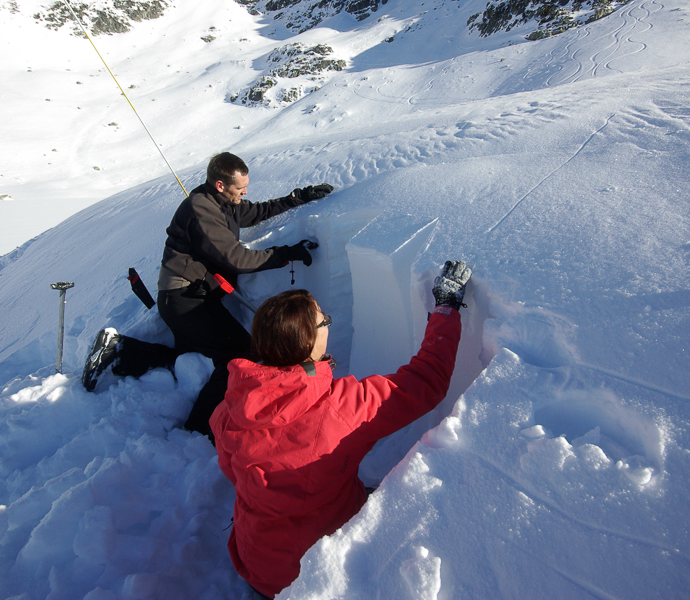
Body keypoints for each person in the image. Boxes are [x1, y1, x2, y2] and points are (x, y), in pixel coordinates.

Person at [210, 260, 472, 599]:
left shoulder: (232, 405)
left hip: (255, 562)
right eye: (324, 321)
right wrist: (446, 307)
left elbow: (235, 472)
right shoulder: (341, 408)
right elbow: (426, 381)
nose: (328, 324)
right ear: (308, 343)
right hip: (314, 572)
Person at [82, 152, 334, 441]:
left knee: (194, 352)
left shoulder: (224, 203)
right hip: (184, 298)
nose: (245, 192)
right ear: (220, 185)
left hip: (191, 297)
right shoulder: (201, 211)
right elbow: (237, 258)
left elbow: (256, 212)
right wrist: (286, 254)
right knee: (241, 353)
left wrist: (295, 199)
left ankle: (119, 352)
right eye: (240, 188)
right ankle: (200, 428)